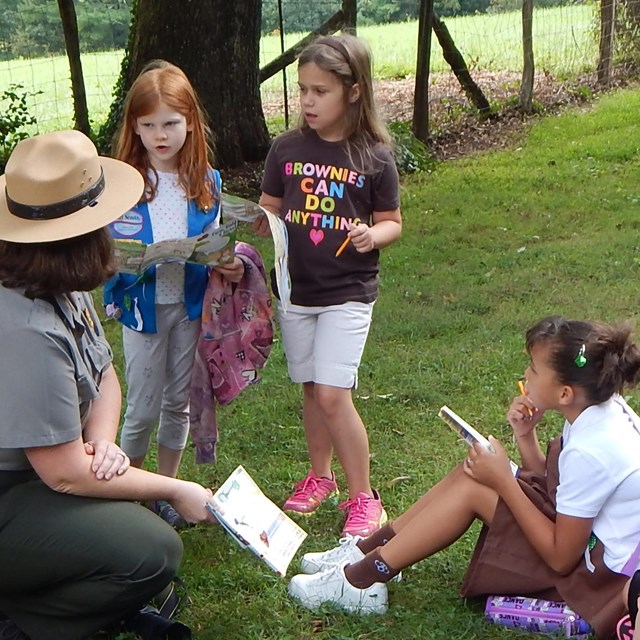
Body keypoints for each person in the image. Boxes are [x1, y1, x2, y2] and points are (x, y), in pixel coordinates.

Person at [288, 316, 640, 639]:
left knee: (477, 485)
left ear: (565, 393)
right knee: (474, 471)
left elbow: (561, 557)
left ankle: (362, 581)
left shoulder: (593, 448)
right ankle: (369, 551)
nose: (526, 375)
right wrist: (525, 436)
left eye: (533, 369)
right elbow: (556, 491)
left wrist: (503, 479)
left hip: (597, 581)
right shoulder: (598, 409)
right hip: (587, 549)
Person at [0, 129, 217, 640]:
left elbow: (103, 371)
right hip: (17, 488)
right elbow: (64, 473)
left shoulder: (50, 280)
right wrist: (178, 489)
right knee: (150, 551)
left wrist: (100, 442)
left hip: (38, 476)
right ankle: (25, 622)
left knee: (130, 532)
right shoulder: (22, 326)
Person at [254, 34, 402, 538]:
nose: (308, 102)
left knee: (335, 394)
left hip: (348, 292)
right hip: (295, 292)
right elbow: (271, 208)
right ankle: (320, 478)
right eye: (303, 90)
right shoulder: (286, 148)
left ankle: (365, 497)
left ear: (354, 91)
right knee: (313, 391)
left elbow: (392, 223)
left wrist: (371, 234)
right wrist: (258, 223)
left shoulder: (375, 156)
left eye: (320, 91)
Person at [103, 60, 244, 527]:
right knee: (141, 406)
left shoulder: (207, 182)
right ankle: (129, 494)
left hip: (189, 307)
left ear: (190, 122)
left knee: (178, 401)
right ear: (135, 128)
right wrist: (112, 279)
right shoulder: (123, 184)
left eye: (170, 123)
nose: (160, 135)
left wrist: (224, 258)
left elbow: (217, 238)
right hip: (141, 310)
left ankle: (168, 489)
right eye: (148, 125)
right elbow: (105, 249)